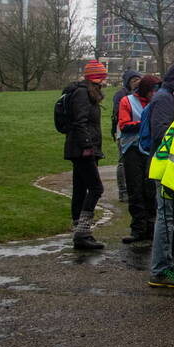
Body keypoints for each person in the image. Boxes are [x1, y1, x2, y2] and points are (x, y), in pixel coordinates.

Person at [147, 64, 174, 288]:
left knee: (170, 217)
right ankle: (159, 270)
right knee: (165, 218)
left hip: (173, 167)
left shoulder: (173, 98)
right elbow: (162, 133)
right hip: (165, 168)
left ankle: (166, 264)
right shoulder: (164, 99)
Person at [63, 60, 109, 251]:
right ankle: (82, 232)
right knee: (96, 188)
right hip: (82, 150)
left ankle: (79, 233)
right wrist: (88, 146)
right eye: (102, 77)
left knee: (80, 189)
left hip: (81, 148)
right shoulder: (82, 93)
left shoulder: (85, 92)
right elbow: (80, 122)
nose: (104, 82)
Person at [118, 74, 160, 244]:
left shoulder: (156, 101)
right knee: (135, 189)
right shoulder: (126, 101)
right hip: (132, 149)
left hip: (149, 150)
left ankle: (151, 226)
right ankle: (138, 228)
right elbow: (124, 125)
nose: (154, 94)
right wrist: (145, 124)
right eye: (151, 91)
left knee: (150, 189)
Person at [111, 70, 141, 203]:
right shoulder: (121, 95)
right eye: (133, 80)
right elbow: (119, 114)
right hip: (124, 132)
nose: (136, 82)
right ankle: (123, 191)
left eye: (138, 80)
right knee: (123, 161)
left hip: (137, 131)